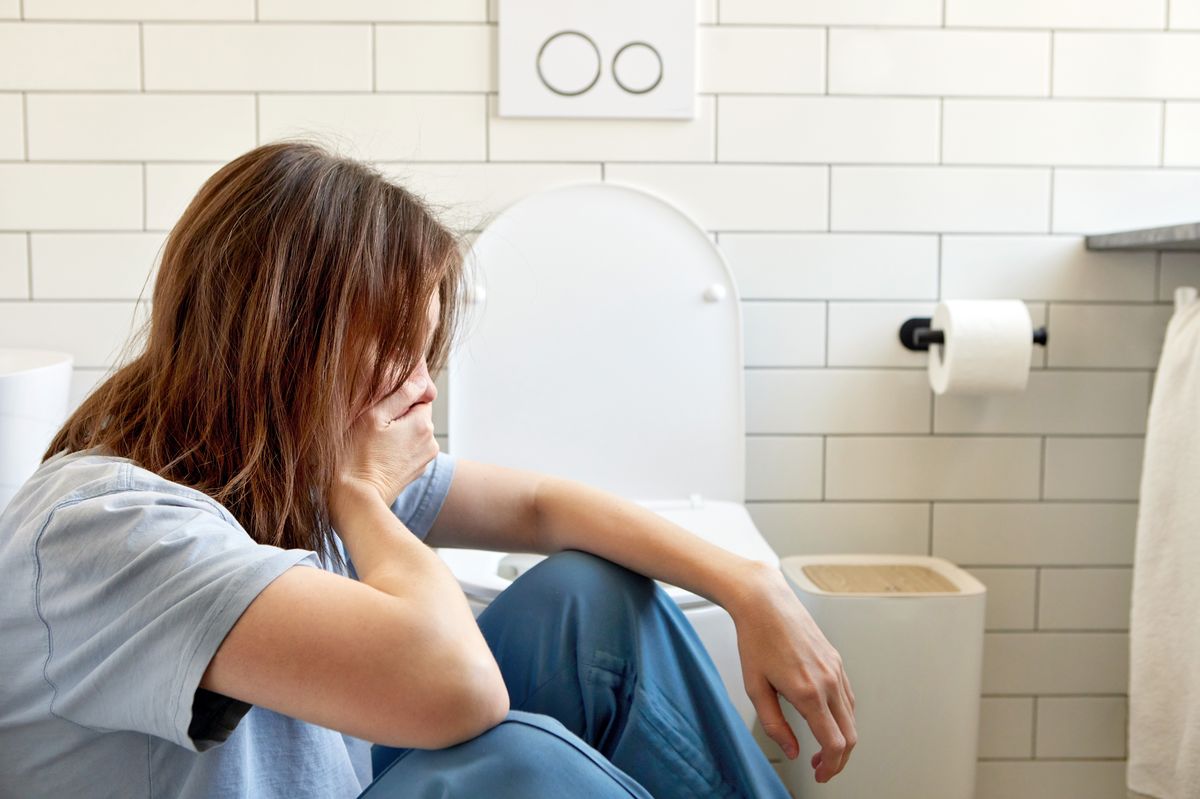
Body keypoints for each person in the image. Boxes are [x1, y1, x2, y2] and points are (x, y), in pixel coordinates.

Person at [0, 141, 856, 798]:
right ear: (286, 342)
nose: (423, 385)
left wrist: (750, 586)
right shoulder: (108, 527)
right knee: (515, 761)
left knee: (588, 604)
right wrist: (365, 496)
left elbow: (537, 507)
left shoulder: (276, 457)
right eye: (399, 349)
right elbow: (458, 690)